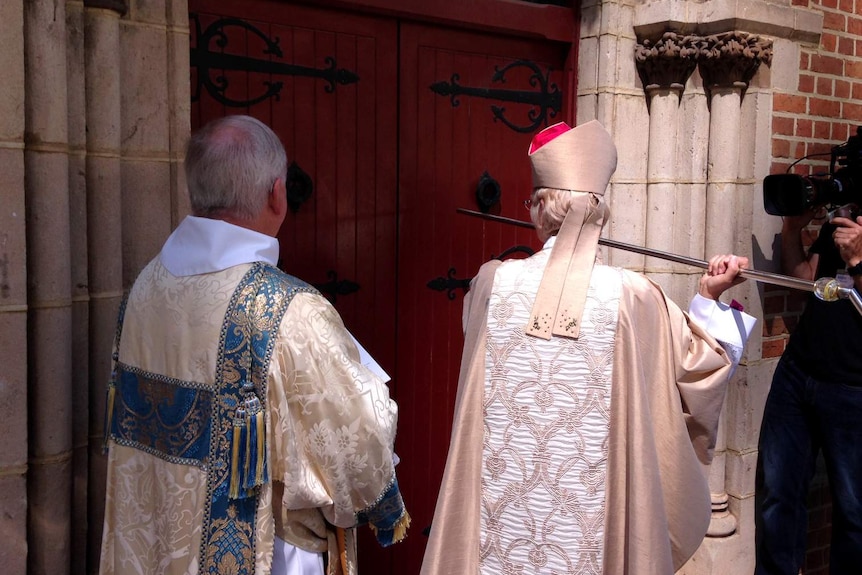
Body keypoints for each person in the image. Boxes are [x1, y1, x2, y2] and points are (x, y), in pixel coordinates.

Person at [420, 120, 755, 575]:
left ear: (538, 209)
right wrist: (709, 296)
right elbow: (698, 371)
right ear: (599, 211)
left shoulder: (490, 282)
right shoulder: (633, 297)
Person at [99, 115, 409, 575]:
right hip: (269, 550)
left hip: (156, 541)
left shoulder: (144, 289)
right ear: (276, 193)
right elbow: (359, 449)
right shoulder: (289, 312)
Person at [755, 205, 862, 574]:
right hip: (798, 375)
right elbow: (808, 280)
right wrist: (790, 230)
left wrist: (859, 261)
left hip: (855, 390)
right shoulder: (846, 220)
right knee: (778, 495)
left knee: (854, 513)